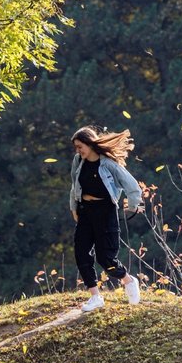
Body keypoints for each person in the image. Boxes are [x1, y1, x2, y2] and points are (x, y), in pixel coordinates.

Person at [69, 126, 144, 312]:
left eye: (80, 146)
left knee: (105, 258)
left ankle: (128, 280)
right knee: (81, 252)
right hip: (85, 210)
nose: (78, 151)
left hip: (105, 211)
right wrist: (73, 208)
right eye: (76, 148)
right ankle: (95, 297)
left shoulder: (108, 164)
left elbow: (131, 185)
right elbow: (74, 185)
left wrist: (133, 205)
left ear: (89, 143)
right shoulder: (78, 161)